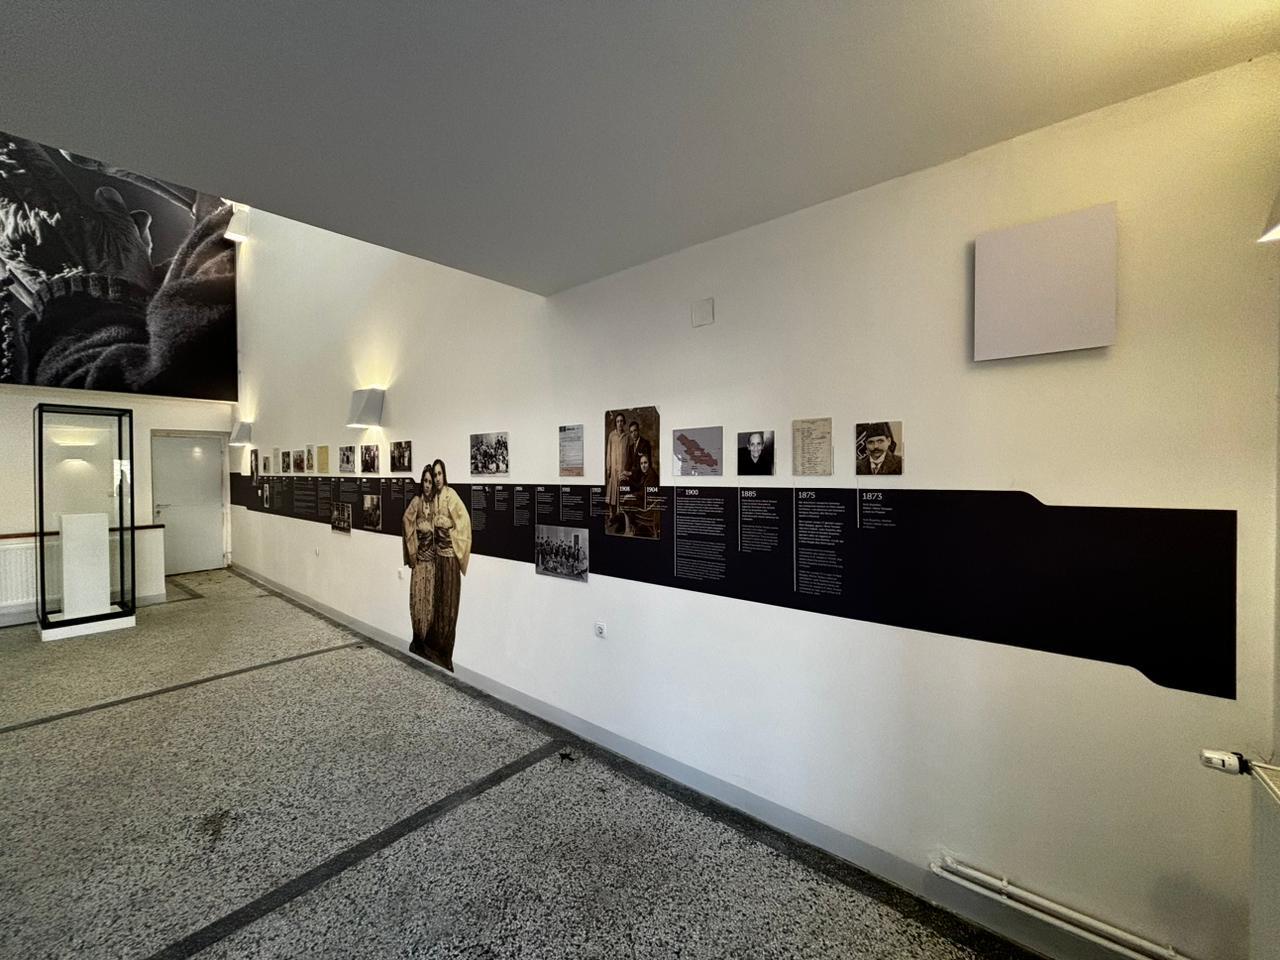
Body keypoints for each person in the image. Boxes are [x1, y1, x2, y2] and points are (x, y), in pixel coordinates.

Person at [426, 458, 472, 671]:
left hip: (450, 559)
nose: (437, 479)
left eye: (439, 474)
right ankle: (436, 646)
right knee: (439, 601)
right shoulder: (434, 498)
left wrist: (450, 523)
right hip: (438, 559)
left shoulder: (450, 495)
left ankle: (446, 650)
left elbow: (464, 520)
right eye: (434, 475)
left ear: (444, 475)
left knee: (449, 603)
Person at [402, 466, 436, 659]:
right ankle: (417, 639)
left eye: (430, 482)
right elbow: (406, 521)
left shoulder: (435, 503)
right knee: (417, 598)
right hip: (420, 561)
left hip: (432, 562)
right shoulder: (417, 502)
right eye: (425, 481)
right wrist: (414, 544)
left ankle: (426, 640)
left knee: (429, 599)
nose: (427, 485)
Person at [605, 411, 628, 509]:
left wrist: (627, 469)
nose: (620, 423)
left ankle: (620, 512)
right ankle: (611, 513)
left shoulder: (627, 437)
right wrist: (608, 468)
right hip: (613, 468)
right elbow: (608, 452)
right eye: (618, 421)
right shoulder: (611, 435)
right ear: (616, 423)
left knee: (621, 491)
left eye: (621, 421)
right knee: (612, 491)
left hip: (623, 468)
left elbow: (628, 453)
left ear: (624, 422)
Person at [624, 419, 652, 488]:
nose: (633, 434)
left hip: (642, 477)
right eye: (631, 432)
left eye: (635, 431)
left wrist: (631, 473)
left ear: (638, 430)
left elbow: (646, 464)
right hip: (633, 477)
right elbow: (628, 463)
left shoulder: (645, 444)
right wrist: (624, 472)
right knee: (622, 482)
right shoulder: (631, 447)